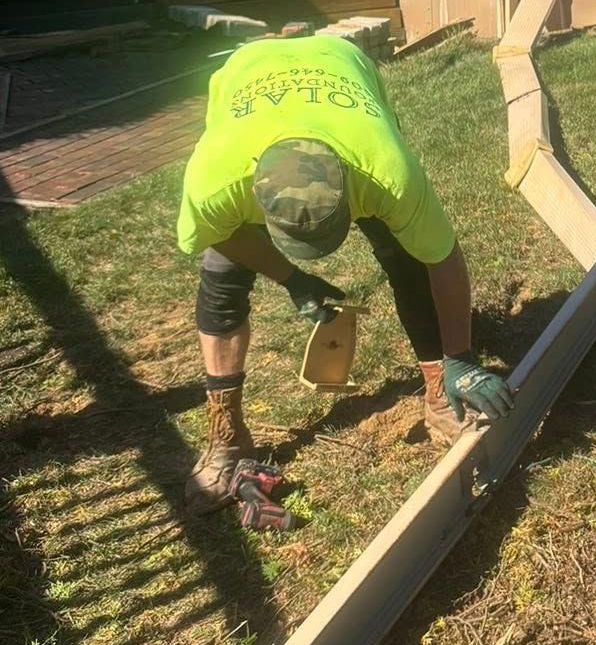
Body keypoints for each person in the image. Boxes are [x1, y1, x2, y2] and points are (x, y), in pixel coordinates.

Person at [176, 32, 513, 517]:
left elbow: (441, 258)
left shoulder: (386, 170)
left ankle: (441, 391)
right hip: (247, 69)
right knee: (221, 274)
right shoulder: (215, 181)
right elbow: (217, 237)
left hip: (343, 64)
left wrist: (459, 357)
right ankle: (225, 430)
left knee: (405, 255)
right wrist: (292, 278)